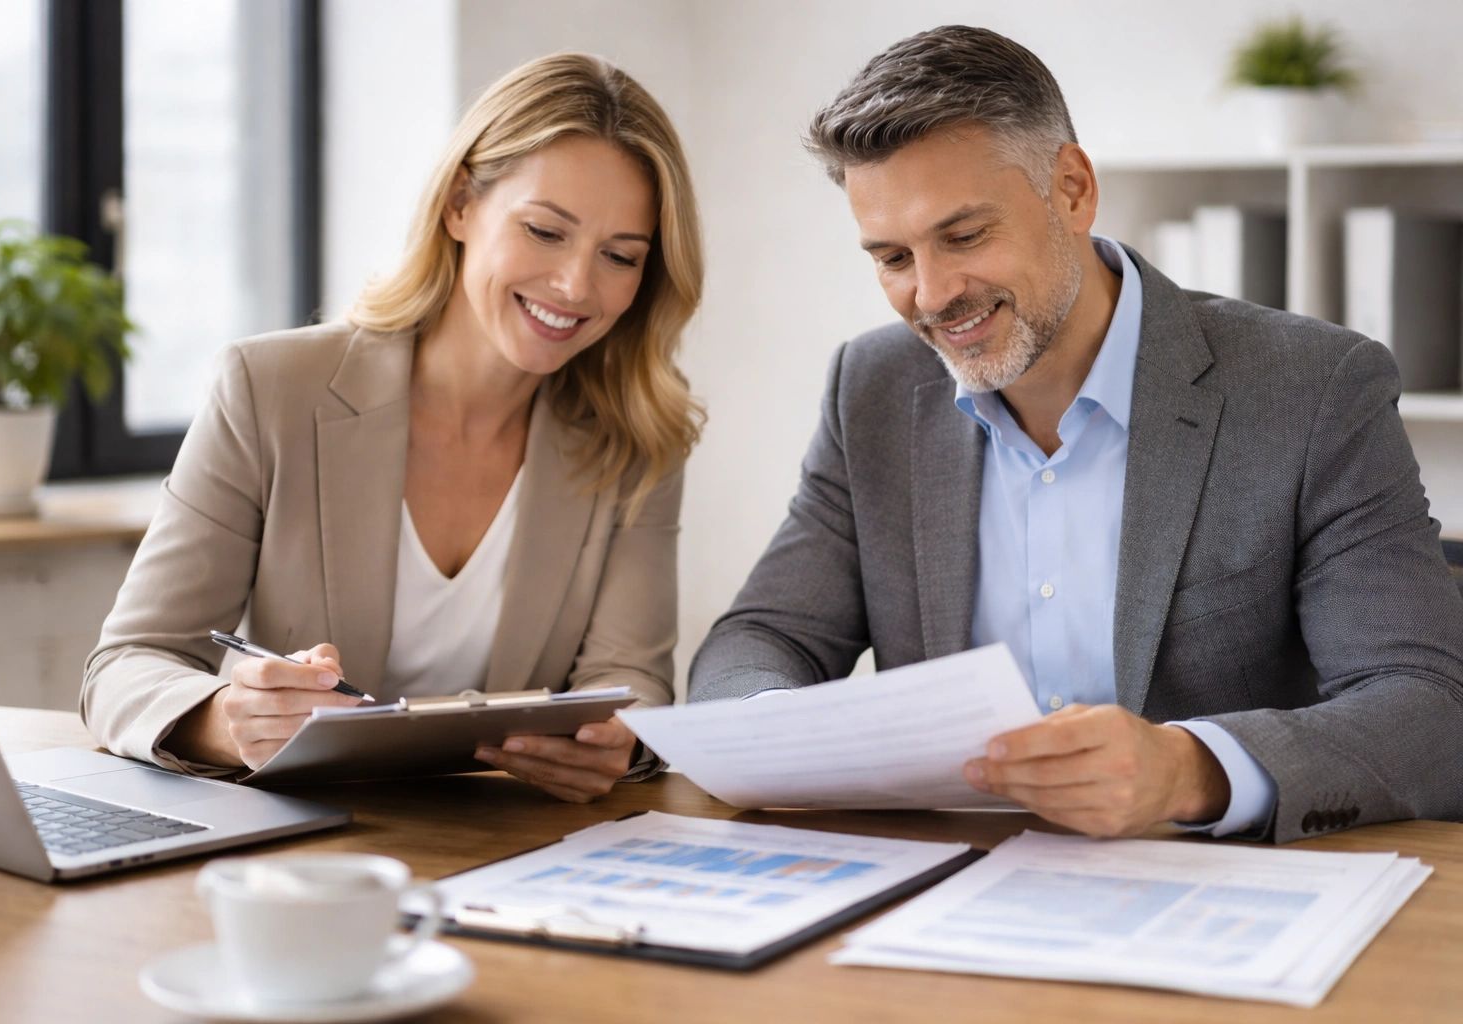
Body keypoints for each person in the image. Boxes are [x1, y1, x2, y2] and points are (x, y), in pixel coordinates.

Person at [688, 25, 1463, 842]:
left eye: (964, 236)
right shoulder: (874, 389)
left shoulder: (1310, 388)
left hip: (1215, 899)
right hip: (950, 896)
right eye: (891, 257)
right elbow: (761, 637)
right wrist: (775, 736)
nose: (932, 293)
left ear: (1071, 188)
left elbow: (1431, 709)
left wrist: (1187, 769)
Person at [83, 53, 704, 803]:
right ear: (460, 205)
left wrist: (621, 740)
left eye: (619, 256)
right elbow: (127, 664)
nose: (576, 286)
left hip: (509, 849)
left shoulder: (637, 437)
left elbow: (630, 675)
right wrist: (227, 719)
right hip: (301, 855)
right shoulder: (270, 389)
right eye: (545, 231)